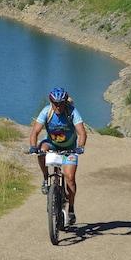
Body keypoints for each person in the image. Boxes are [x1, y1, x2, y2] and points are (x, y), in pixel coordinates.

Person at [28, 87, 87, 225]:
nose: (58, 106)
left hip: (70, 148)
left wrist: (80, 147)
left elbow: (82, 133)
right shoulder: (46, 111)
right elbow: (35, 132)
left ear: (66, 102)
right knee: (41, 150)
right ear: (51, 102)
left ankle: (71, 209)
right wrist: (32, 146)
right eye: (55, 103)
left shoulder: (72, 112)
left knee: (70, 178)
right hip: (52, 144)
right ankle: (45, 178)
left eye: (61, 103)